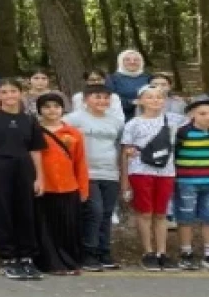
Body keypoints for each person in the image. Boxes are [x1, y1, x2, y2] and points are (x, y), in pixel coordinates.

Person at [0, 79, 46, 280]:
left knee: (27, 213)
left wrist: (39, 177)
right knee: (1, 213)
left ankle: (27, 257)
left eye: (13, 91)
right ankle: (8, 258)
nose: (9, 95)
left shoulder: (29, 120)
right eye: (4, 92)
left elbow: (35, 150)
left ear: (21, 93)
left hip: (24, 169)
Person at [120, 85, 186, 272]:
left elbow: (200, 117)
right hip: (140, 171)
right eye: (149, 97)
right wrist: (125, 181)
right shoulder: (133, 124)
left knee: (161, 213)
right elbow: (125, 152)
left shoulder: (173, 121)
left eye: (159, 97)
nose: (155, 100)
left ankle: (161, 252)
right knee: (145, 212)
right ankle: (148, 251)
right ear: (140, 101)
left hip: (166, 171)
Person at [65, 84, 125, 271]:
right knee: (94, 212)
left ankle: (103, 251)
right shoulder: (73, 119)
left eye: (106, 97)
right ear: (85, 100)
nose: (102, 101)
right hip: (87, 173)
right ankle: (87, 253)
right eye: (97, 97)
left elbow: (120, 147)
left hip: (110, 172)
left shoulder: (115, 121)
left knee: (106, 213)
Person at [34, 94, 88, 275]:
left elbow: (80, 162)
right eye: (47, 106)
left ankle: (71, 263)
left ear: (62, 109)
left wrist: (83, 188)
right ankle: (51, 264)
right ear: (39, 110)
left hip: (68, 187)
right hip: (43, 187)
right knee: (46, 229)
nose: (52, 110)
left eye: (56, 106)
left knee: (69, 228)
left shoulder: (73, 133)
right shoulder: (34, 131)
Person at [171, 99, 209, 271]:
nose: (208, 117)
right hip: (186, 182)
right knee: (186, 219)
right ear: (192, 115)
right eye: (203, 113)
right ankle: (186, 252)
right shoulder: (182, 133)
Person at [106, 50, 150, 119]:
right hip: (123, 117)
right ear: (121, 62)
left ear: (141, 62)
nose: (132, 62)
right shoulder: (112, 79)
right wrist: (131, 102)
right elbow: (109, 99)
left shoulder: (148, 78)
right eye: (127, 60)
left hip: (148, 116)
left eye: (136, 60)